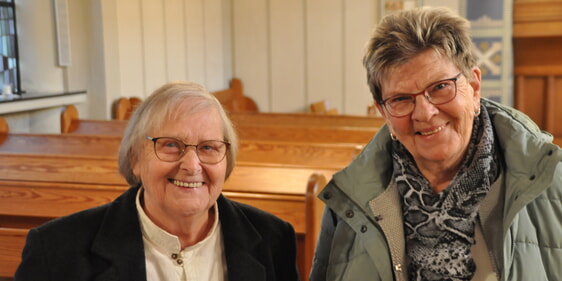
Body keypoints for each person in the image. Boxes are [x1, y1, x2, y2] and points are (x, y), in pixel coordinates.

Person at [309, 6, 562, 281]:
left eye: (440, 87)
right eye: (401, 99)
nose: (424, 113)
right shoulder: (348, 202)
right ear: (384, 113)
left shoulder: (552, 180)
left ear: (474, 88)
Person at [15, 81, 300, 281]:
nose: (191, 165)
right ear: (135, 159)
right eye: (171, 145)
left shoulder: (274, 240)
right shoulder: (57, 249)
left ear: (227, 161)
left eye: (209, 147)